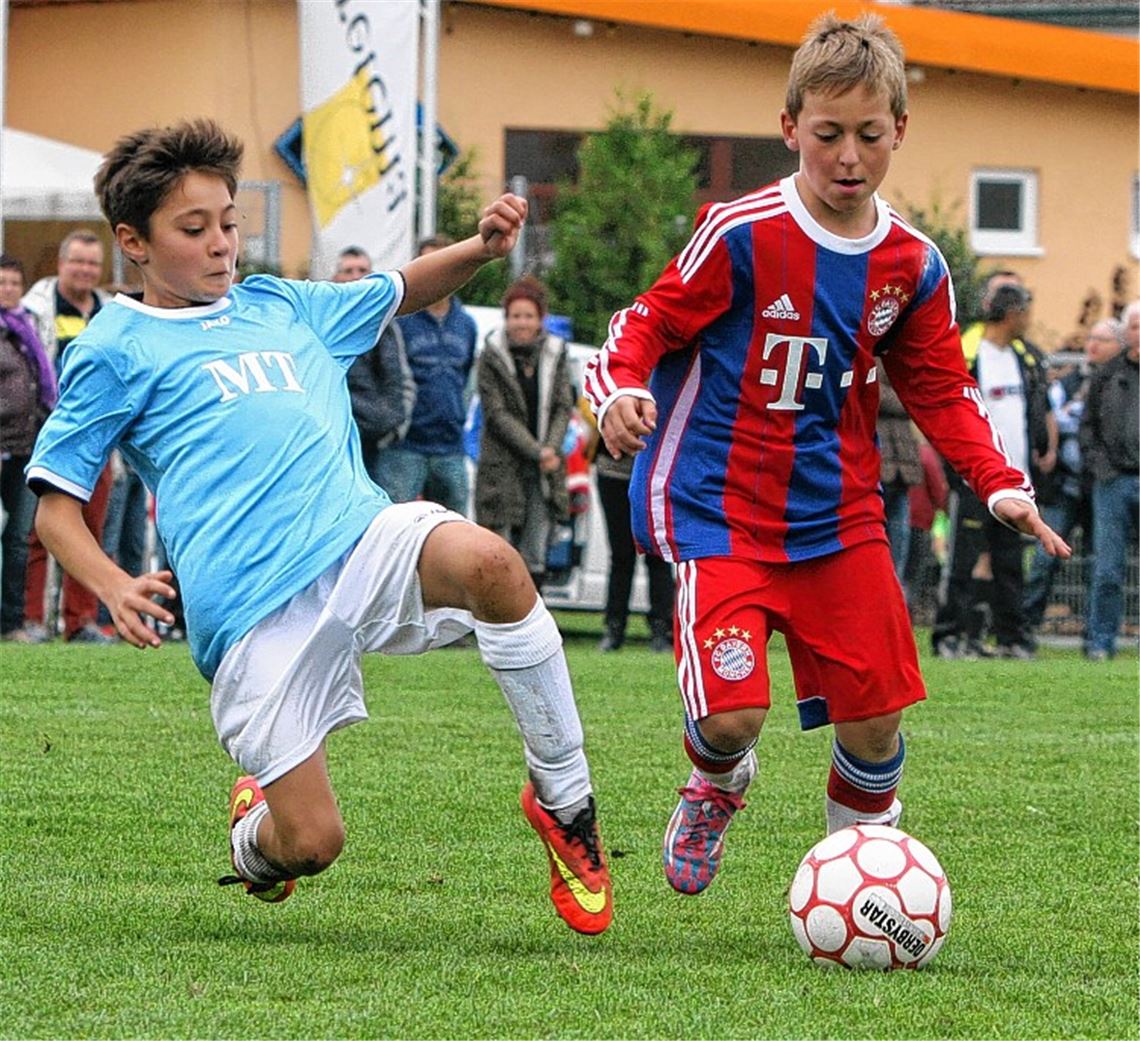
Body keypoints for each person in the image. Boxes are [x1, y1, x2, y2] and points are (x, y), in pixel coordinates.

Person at [26, 118, 612, 936]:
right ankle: (252, 838)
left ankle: (566, 800)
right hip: (250, 615)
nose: (223, 244)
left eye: (229, 221)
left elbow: (401, 288)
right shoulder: (116, 345)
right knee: (312, 841)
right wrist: (116, 583)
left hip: (358, 539)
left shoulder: (280, 303)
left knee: (495, 566)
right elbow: (56, 506)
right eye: (194, 230)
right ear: (134, 241)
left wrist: (478, 248)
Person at [582, 12, 1069, 897]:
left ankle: (860, 888)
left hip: (837, 518)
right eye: (828, 134)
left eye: (870, 136)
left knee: (875, 721)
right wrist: (617, 390)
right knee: (731, 716)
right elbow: (644, 321)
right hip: (721, 509)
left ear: (900, 132)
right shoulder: (739, 232)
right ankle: (718, 781)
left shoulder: (911, 264)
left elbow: (940, 390)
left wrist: (998, 483)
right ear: (790, 128)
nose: (849, 156)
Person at [931, 280, 1053, 660]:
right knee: (963, 561)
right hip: (973, 478)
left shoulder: (1025, 357)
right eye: (1025, 311)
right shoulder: (968, 351)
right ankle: (950, 634)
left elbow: (1036, 409)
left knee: (1009, 563)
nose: (1029, 319)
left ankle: (1012, 638)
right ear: (1011, 313)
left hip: (1015, 482)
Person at [21, 230, 115, 643]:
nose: (85, 270)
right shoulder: (34, 312)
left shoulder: (110, 313)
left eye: (93, 263)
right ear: (61, 264)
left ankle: (81, 622)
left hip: (98, 441)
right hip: (45, 436)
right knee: (38, 532)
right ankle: (33, 620)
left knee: (91, 532)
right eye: (78, 261)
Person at [1023, 318, 1122, 641]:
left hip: (1100, 485)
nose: (1092, 345)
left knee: (1100, 565)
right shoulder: (1066, 383)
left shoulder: (1120, 382)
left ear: (1117, 346)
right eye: (1091, 338)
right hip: (1064, 486)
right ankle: (1024, 629)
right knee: (1043, 560)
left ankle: (1094, 636)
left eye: (1102, 340)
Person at [475, 276, 575, 589]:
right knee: (498, 548)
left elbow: (563, 405)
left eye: (528, 316)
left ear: (540, 320)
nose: (521, 323)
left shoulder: (556, 353)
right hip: (503, 463)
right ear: (506, 318)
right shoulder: (490, 355)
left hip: (544, 468)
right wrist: (537, 450)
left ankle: (534, 622)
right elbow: (497, 413)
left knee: (536, 550)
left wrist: (551, 448)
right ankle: (495, 624)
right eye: (516, 316)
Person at [373, 235, 478, 515]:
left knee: (455, 535)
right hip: (405, 446)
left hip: (450, 446)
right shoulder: (398, 322)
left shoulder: (466, 324)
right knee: (394, 530)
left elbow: (466, 379)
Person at [0, 256, 57, 641]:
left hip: (26, 447)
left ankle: (12, 622)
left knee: (20, 537)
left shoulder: (28, 328)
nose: (9, 290)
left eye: (14, 283)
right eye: (2, 283)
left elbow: (41, 384)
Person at [1080, 300, 1139, 661]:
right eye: (1133, 327)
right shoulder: (1106, 375)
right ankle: (1100, 642)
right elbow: (1087, 428)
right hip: (1113, 482)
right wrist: (1102, 468)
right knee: (1107, 569)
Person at [332, 246, 417, 481]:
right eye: (348, 270)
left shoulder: (389, 326)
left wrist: (396, 430)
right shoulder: (325, 326)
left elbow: (404, 380)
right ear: (335, 278)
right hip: (339, 448)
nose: (356, 276)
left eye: (363, 270)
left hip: (384, 446)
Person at [594, 447, 675, 653]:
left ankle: (661, 629)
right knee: (621, 555)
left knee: (657, 553)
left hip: (655, 472)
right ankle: (614, 628)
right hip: (613, 471)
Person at [875, 359, 922, 585]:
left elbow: (919, 394)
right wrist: (905, 396)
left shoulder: (898, 353)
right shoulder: (862, 347)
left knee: (898, 557)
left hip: (902, 471)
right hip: (876, 471)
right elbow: (871, 393)